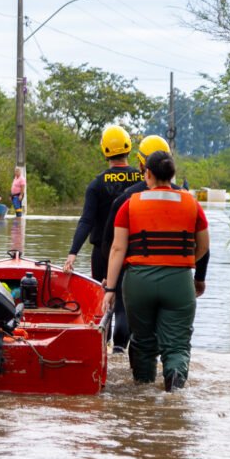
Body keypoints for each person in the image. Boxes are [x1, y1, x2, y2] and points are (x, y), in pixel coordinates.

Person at [102, 151, 210, 391]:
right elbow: (203, 246)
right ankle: (173, 386)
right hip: (179, 282)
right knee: (178, 344)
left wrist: (110, 288)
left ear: (147, 173)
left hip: (139, 280)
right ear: (173, 175)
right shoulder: (192, 204)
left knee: (142, 341)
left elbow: (117, 248)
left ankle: (143, 388)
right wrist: (183, 262)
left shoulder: (130, 204)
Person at [63, 125, 143, 353]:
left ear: (104, 150)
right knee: (124, 304)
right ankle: (120, 349)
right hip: (133, 250)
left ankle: (101, 349)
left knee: (104, 299)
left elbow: (86, 221)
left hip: (103, 252)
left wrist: (73, 252)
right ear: (129, 148)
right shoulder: (142, 179)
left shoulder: (97, 184)